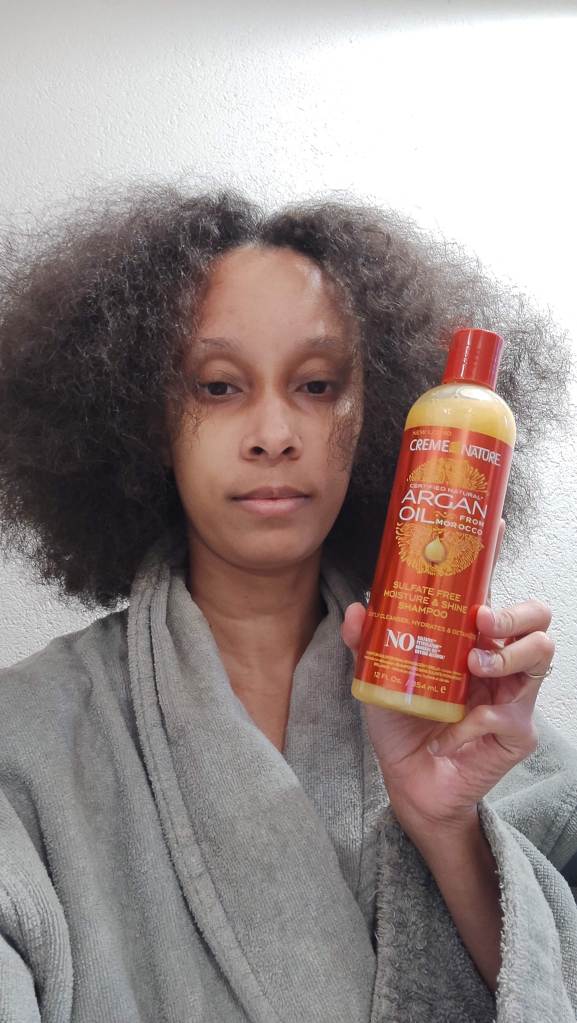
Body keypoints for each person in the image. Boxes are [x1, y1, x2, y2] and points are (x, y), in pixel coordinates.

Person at [0, 184, 575, 1023]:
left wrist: (450, 829)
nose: (274, 433)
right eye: (217, 386)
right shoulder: (24, 737)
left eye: (315, 384)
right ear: (143, 417)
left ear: (380, 417)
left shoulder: (490, 734)